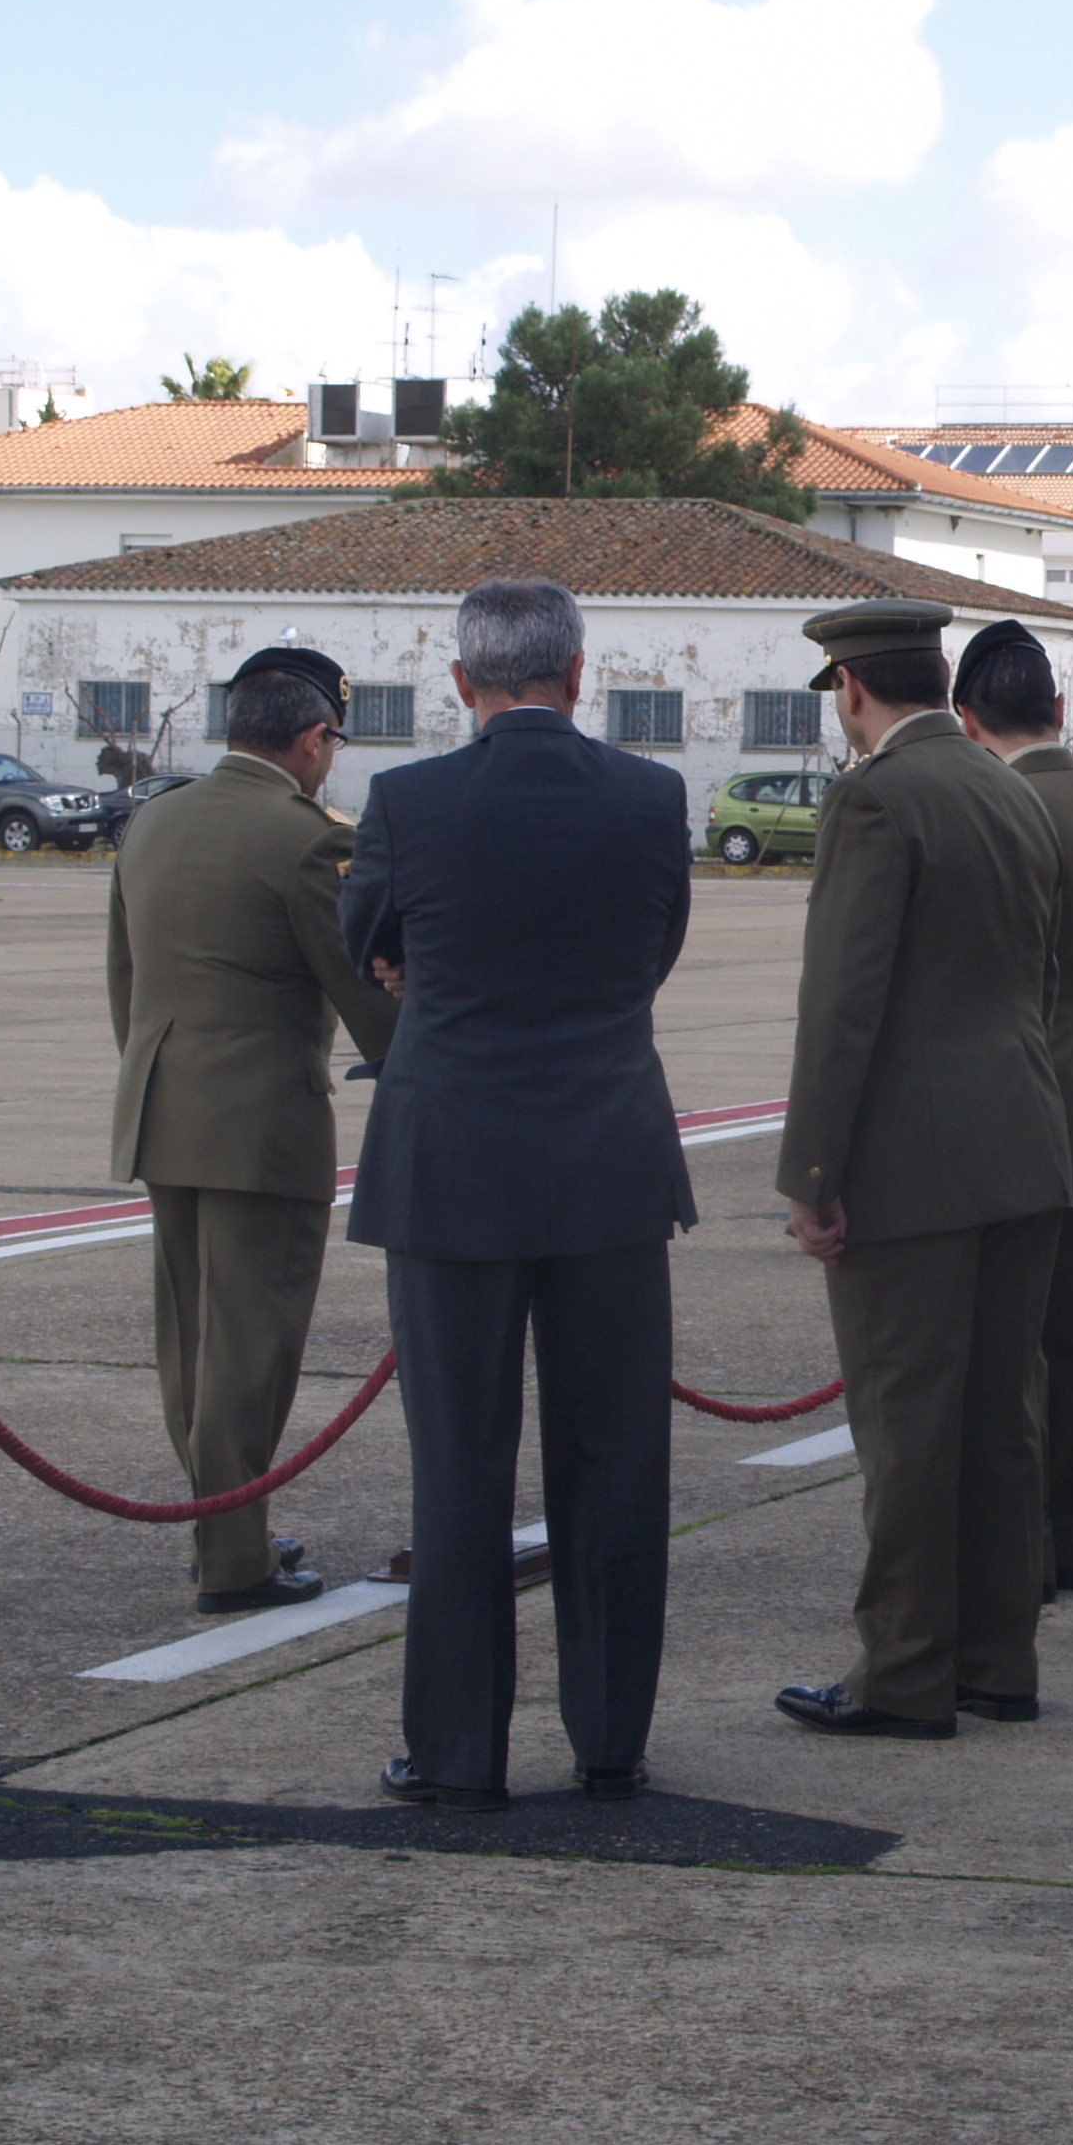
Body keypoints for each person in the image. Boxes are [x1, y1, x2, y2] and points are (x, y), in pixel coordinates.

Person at [345, 580, 696, 1810]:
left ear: (461, 683)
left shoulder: (405, 801)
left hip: (451, 1171)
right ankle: (609, 1736)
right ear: (579, 672)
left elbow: (369, 949)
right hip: (607, 1160)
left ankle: (457, 1752)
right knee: (614, 1467)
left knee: (459, 1473)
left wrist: (429, 972)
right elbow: (655, 951)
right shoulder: (653, 800)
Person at [772, 600, 1073, 1739]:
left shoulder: (874, 797)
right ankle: (998, 1659)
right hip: (1021, 1140)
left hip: (912, 1162)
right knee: (1002, 1422)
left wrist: (812, 1169)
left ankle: (903, 1671)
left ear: (850, 687)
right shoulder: (1011, 787)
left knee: (906, 1428)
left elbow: (842, 1005)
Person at [105, 644, 398, 1613]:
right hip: (261, 1124)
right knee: (249, 1348)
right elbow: (358, 984)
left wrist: (162, 1077)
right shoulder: (306, 838)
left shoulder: (151, 822)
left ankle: (222, 1529)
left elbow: (126, 982)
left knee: (189, 1344)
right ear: (314, 741)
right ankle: (233, 1558)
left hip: (162, 1110)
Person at [951, 618, 1073, 1598]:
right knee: (1067, 1342)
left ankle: (1006, 1545)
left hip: (999, 1110)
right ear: (1060, 712)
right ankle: (1062, 1536)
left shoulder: (986, 813)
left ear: (966, 718)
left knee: (995, 1352)